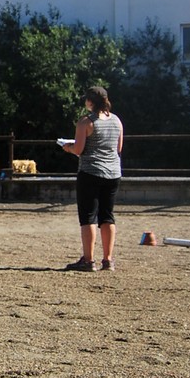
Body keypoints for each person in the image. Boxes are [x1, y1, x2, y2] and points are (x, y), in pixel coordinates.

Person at [61, 86, 123, 272]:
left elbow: (79, 150)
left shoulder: (85, 122)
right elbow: (118, 148)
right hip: (113, 173)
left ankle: (88, 260)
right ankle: (108, 260)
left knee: (88, 217)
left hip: (91, 172)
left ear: (90, 101)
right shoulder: (117, 121)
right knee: (107, 216)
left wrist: (67, 147)